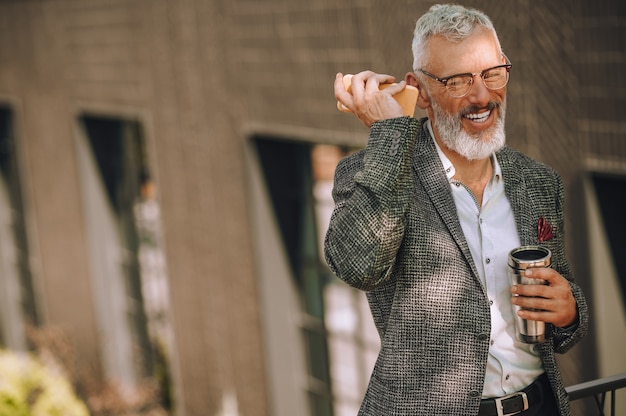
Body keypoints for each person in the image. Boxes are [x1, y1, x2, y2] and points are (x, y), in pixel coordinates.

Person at [324, 4, 588, 416]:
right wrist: (389, 132)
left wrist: (569, 312)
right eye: (458, 81)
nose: (482, 96)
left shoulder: (539, 181)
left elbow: (561, 305)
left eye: (492, 74)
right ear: (420, 90)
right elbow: (357, 266)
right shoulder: (369, 172)